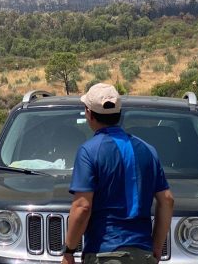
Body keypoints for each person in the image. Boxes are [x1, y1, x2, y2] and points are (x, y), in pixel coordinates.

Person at [62, 83, 175, 264]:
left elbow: (82, 207)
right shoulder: (148, 150)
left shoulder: (89, 151)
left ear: (89, 114)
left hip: (104, 253)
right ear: (119, 114)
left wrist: (68, 251)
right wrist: (156, 246)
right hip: (143, 255)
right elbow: (167, 200)